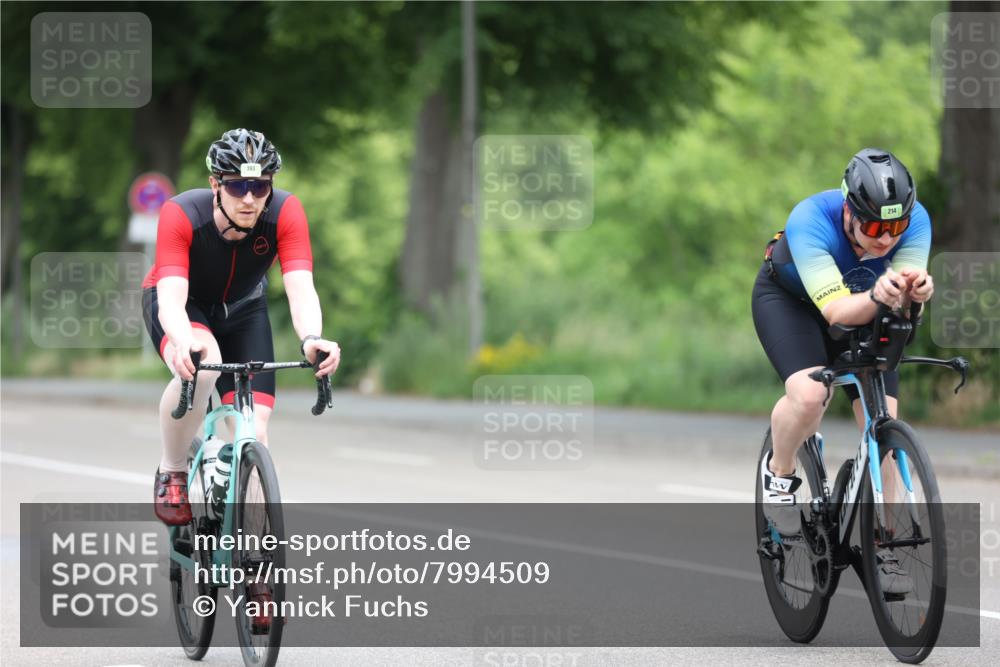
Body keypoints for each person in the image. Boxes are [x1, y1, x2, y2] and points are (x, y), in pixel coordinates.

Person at [751, 148, 934, 594]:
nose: (885, 240)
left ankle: (886, 543)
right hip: (794, 305)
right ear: (849, 208)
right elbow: (835, 312)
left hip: (867, 304)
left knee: (884, 425)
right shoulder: (811, 218)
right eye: (873, 227)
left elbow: (903, 296)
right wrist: (880, 296)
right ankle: (779, 472)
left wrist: (917, 291)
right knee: (812, 395)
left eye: (895, 228)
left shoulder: (916, 220)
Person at [141, 128, 340, 524]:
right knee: (203, 364)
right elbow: (173, 300)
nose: (249, 198)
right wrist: (183, 342)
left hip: (244, 310)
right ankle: (173, 468)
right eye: (236, 187)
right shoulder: (182, 214)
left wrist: (312, 338)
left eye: (260, 186)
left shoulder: (285, 212)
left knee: (254, 430)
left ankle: (253, 562)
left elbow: (301, 289)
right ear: (215, 184)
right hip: (185, 306)